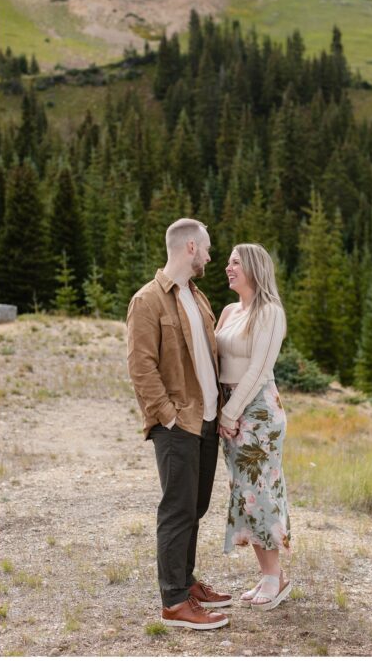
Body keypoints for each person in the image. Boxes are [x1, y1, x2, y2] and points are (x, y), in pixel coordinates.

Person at [127, 218, 232, 630]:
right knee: (177, 509)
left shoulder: (198, 297)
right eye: (205, 248)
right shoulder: (148, 300)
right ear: (190, 248)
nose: (209, 256)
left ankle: (186, 583)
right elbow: (141, 366)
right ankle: (174, 602)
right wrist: (168, 417)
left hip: (206, 420)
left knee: (196, 506)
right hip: (177, 425)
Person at [216, 243, 292, 610]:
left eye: (235, 262)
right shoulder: (230, 310)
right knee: (244, 492)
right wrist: (222, 410)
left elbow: (260, 370)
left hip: (258, 411)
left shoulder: (270, 312)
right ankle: (267, 575)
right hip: (230, 408)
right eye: (228, 262)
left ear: (254, 268)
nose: (228, 267)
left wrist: (230, 413)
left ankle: (275, 578)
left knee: (259, 491)